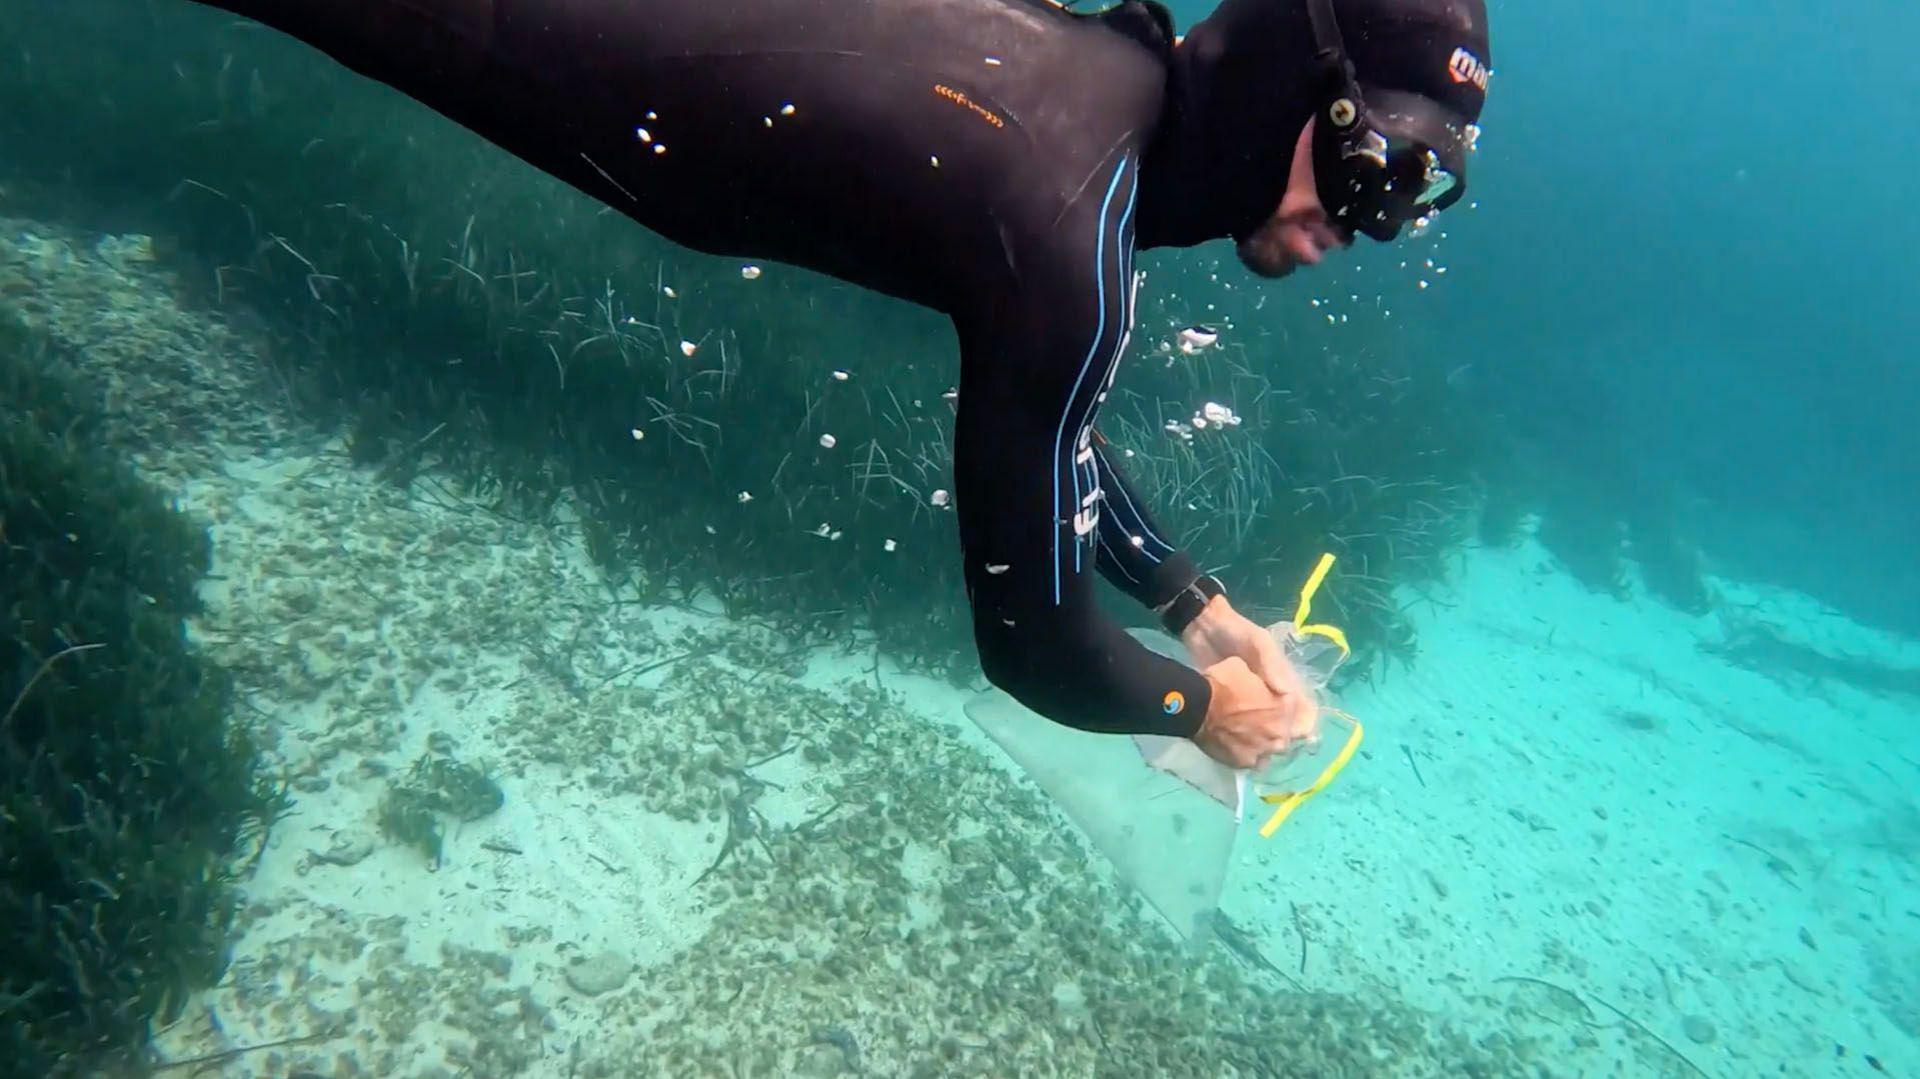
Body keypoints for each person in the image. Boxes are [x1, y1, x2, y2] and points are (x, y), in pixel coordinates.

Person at [191, 0, 1491, 768]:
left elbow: (1055, 427)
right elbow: (1033, 649)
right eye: (1380, 167)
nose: (1371, 224)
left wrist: (1189, 600)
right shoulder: (1068, 240)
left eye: (1417, 195)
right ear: (1294, 100)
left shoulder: (1092, 93)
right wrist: (1204, 711)